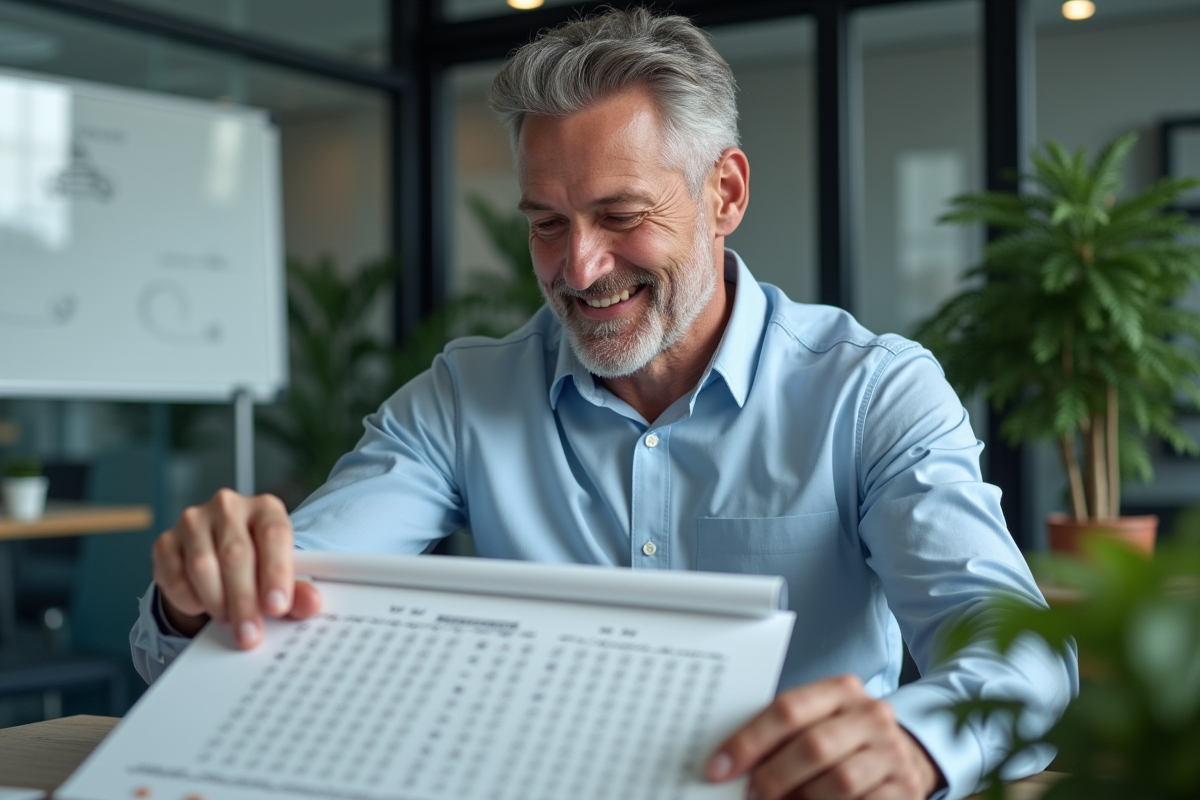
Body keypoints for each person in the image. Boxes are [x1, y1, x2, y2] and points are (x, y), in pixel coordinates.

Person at [131, 8, 1075, 800]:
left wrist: (912, 744)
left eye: (621, 217)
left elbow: (1020, 653)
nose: (579, 268)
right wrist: (201, 599)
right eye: (548, 224)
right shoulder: (465, 398)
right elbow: (285, 594)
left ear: (725, 194)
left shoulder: (871, 391)